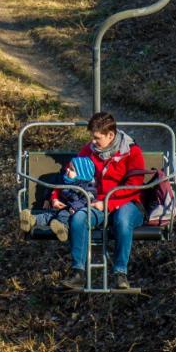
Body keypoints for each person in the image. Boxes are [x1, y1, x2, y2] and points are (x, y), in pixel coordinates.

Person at [63, 111, 147, 290]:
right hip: (97, 202)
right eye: (92, 138)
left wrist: (108, 203)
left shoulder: (131, 152)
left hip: (127, 202)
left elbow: (134, 186)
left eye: (96, 138)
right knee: (78, 218)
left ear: (110, 135)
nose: (93, 142)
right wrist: (58, 195)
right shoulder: (89, 151)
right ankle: (78, 272)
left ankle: (120, 273)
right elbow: (72, 175)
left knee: (122, 221)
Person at [19, 155, 96, 242]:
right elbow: (55, 188)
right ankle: (32, 220)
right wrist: (49, 199)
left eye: (71, 169)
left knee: (63, 216)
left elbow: (87, 200)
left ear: (81, 175)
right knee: (48, 215)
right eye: (69, 167)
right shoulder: (65, 180)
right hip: (59, 208)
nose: (67, 169)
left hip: (73, 212)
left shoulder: (88, 188)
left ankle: (63, 228)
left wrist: (74, 207)